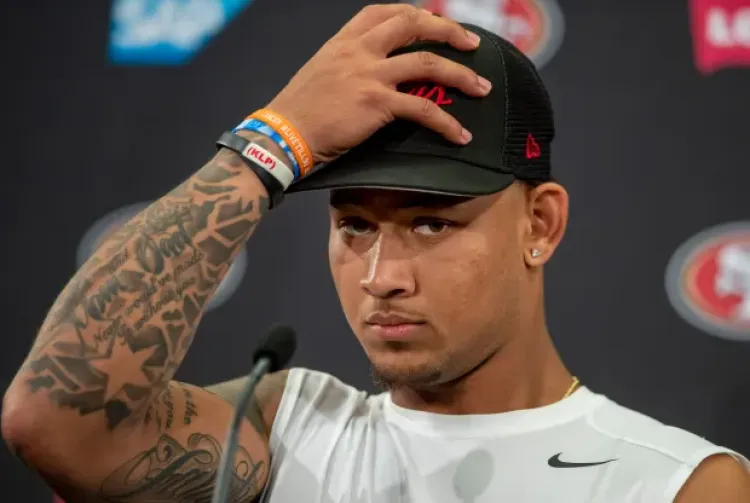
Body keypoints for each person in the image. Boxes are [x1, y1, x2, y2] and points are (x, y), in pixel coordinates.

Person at [3, 4, 749, 502]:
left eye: (432, 224)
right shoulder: (282, 430)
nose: (381, 276)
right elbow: (55, 423)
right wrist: (272, 144)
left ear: (541, 224)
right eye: (355, 224)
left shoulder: (677, 484)